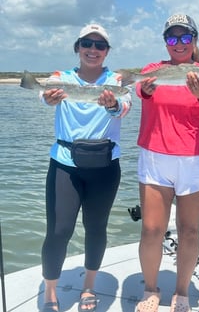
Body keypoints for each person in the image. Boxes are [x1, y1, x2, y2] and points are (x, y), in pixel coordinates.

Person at [135, 14, 199, 312]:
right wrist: (144, 90)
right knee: (150, 229)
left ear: (195, 40)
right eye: (172, 38)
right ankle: (150, 289)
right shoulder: (152, 70)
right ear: (166, 43)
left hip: (196, 159)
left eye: (185, 37)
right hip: (155, 157)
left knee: (189, 230)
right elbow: (140, 91)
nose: (179, 43)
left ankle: (182, 291)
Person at [40, 23, 132, 312]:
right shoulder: (61, 77)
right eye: (87, 44)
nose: (93, 50)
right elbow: (42, 94)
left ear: (106, 51)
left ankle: (88, 288)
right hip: (65, 164)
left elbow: (125, 105)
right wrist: (46, 96)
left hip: (105, 166)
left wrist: (114, 104)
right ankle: (50, 293)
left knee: (96, 228)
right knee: (58, 230)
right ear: (78, 47)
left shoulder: (116, 80)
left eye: (100, 45)